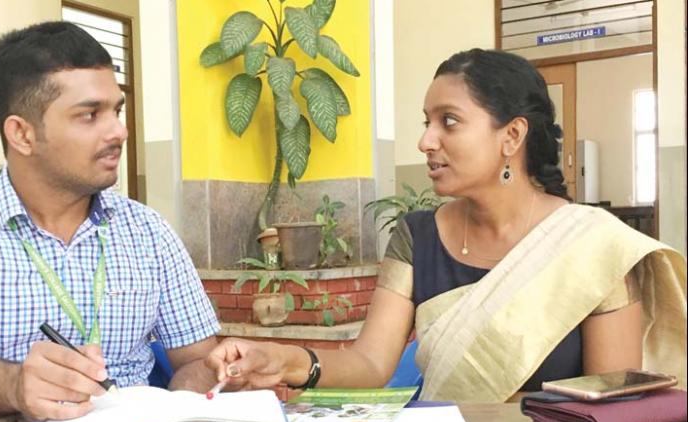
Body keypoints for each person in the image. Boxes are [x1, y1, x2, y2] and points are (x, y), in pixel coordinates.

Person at [205, 49, 687, 402]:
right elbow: (371, 363)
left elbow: (607, 406)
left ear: (512, 136)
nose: (425, 141)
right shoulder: (417, 235)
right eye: (426, 121)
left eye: (448, 121)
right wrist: (284, 359)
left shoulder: (591, 244)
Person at [0, 21, 220, 420]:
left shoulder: (149, 232)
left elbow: (197, 360)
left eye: (116, 110)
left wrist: (215, 372)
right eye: (89, 115)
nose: (119, 130)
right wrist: (16, 385)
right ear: (22, 135)